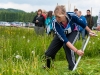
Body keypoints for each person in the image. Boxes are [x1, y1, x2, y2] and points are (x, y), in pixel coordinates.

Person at [44, 5, 95, 70]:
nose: (57, 19)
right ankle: (48, 68)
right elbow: (65, 40)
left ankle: (73, 67)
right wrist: (77, 51)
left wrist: (90, 31)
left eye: (59, 17)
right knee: (48, 53)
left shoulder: (72, 16)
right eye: (56, 16)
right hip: (62, 34)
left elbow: (82, 24)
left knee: (66, 46)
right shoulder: (55, 23)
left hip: (73, 31)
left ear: (64, 14)